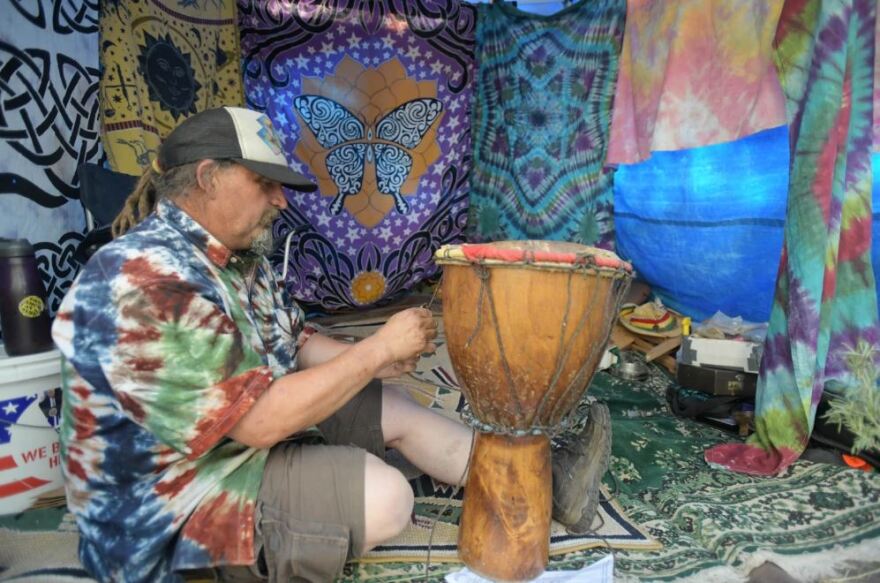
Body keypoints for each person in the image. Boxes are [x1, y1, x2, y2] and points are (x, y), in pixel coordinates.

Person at [53, 107, 611, 583]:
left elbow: (292, 341)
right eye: (264, 183)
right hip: (167, 511)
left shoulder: (235, 256)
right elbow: (260, 423)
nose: (279, 200)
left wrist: (384, 359)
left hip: (227, 445)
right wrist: (372, 351)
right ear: (208, 177)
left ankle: (549, 485)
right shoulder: (147, 281)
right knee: (387, 498)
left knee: (393, 408)